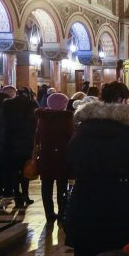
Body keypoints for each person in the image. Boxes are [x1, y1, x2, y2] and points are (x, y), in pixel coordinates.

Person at [65, 83, 129, 256]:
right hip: (123, 202)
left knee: (87, 255)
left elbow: (70, 161)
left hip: (86, 201)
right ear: (124, 100)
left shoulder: (83, 127)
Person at [35, 92, 73, 222]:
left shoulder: (42, 117)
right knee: (62, 185)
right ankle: (62, 212)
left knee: (46, 184)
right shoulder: (67, 118)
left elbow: (37, 137)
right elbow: (72, 137)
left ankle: (49, 213)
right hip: (63, 155)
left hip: (46, 155)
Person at [1, 87, 38, 208]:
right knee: (26, 170)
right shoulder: (32, 105)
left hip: (10, 142)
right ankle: (26, 196)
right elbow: (35, 125)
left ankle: (17, 196)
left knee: (13, 171)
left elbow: (3, 123)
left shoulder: (7, 105)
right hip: (26, 143)